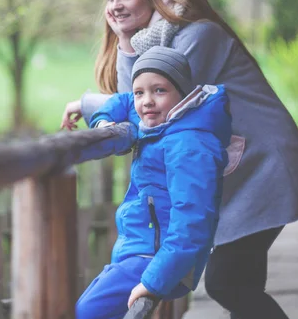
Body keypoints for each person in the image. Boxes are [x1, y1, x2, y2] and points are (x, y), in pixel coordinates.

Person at [61, 0, 298, 319]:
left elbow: (151, 114)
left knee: (229, 282)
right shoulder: (160, 42)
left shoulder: (197, 35)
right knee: (240, 283)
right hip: (238, 167)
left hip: (263, 166)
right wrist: (124, 40)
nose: (115, 5)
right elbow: (139, 97)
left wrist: (89, 101)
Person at [75, 46, 231, 319]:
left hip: (157, 259)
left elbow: (193, 224)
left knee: (83, 312)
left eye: (159, 90)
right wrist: (102, 122)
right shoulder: (166, 119)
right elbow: (124, 102)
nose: (146, 101)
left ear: (183, 93)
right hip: (143, 253)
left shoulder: (188, 145)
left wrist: (153, 282)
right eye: (140, 92)